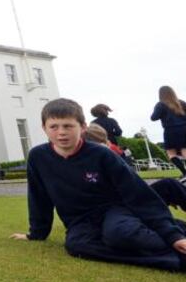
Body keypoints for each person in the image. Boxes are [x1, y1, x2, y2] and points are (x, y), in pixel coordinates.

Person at [11, 98, 186, 272]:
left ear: (83, 127)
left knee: (121, 234)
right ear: (44, 128)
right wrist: (36, 234)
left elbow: (138, 194)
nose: (61, 132)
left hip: (114, 209)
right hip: (79, 220)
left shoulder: (102, 154)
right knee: (76, 246)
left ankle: (178, 247)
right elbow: (38, 197)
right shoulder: (38, 157)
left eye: (68, 126)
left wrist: (172, 235)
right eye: (54, 127)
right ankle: (170, 259)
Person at [151, 86, 186, 178]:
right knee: (184, 151)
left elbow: (153, 118)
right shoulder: (181, 103)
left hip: (170, 131)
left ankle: (184, 173)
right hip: (184, 129)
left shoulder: (161, 104)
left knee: (171, 154)